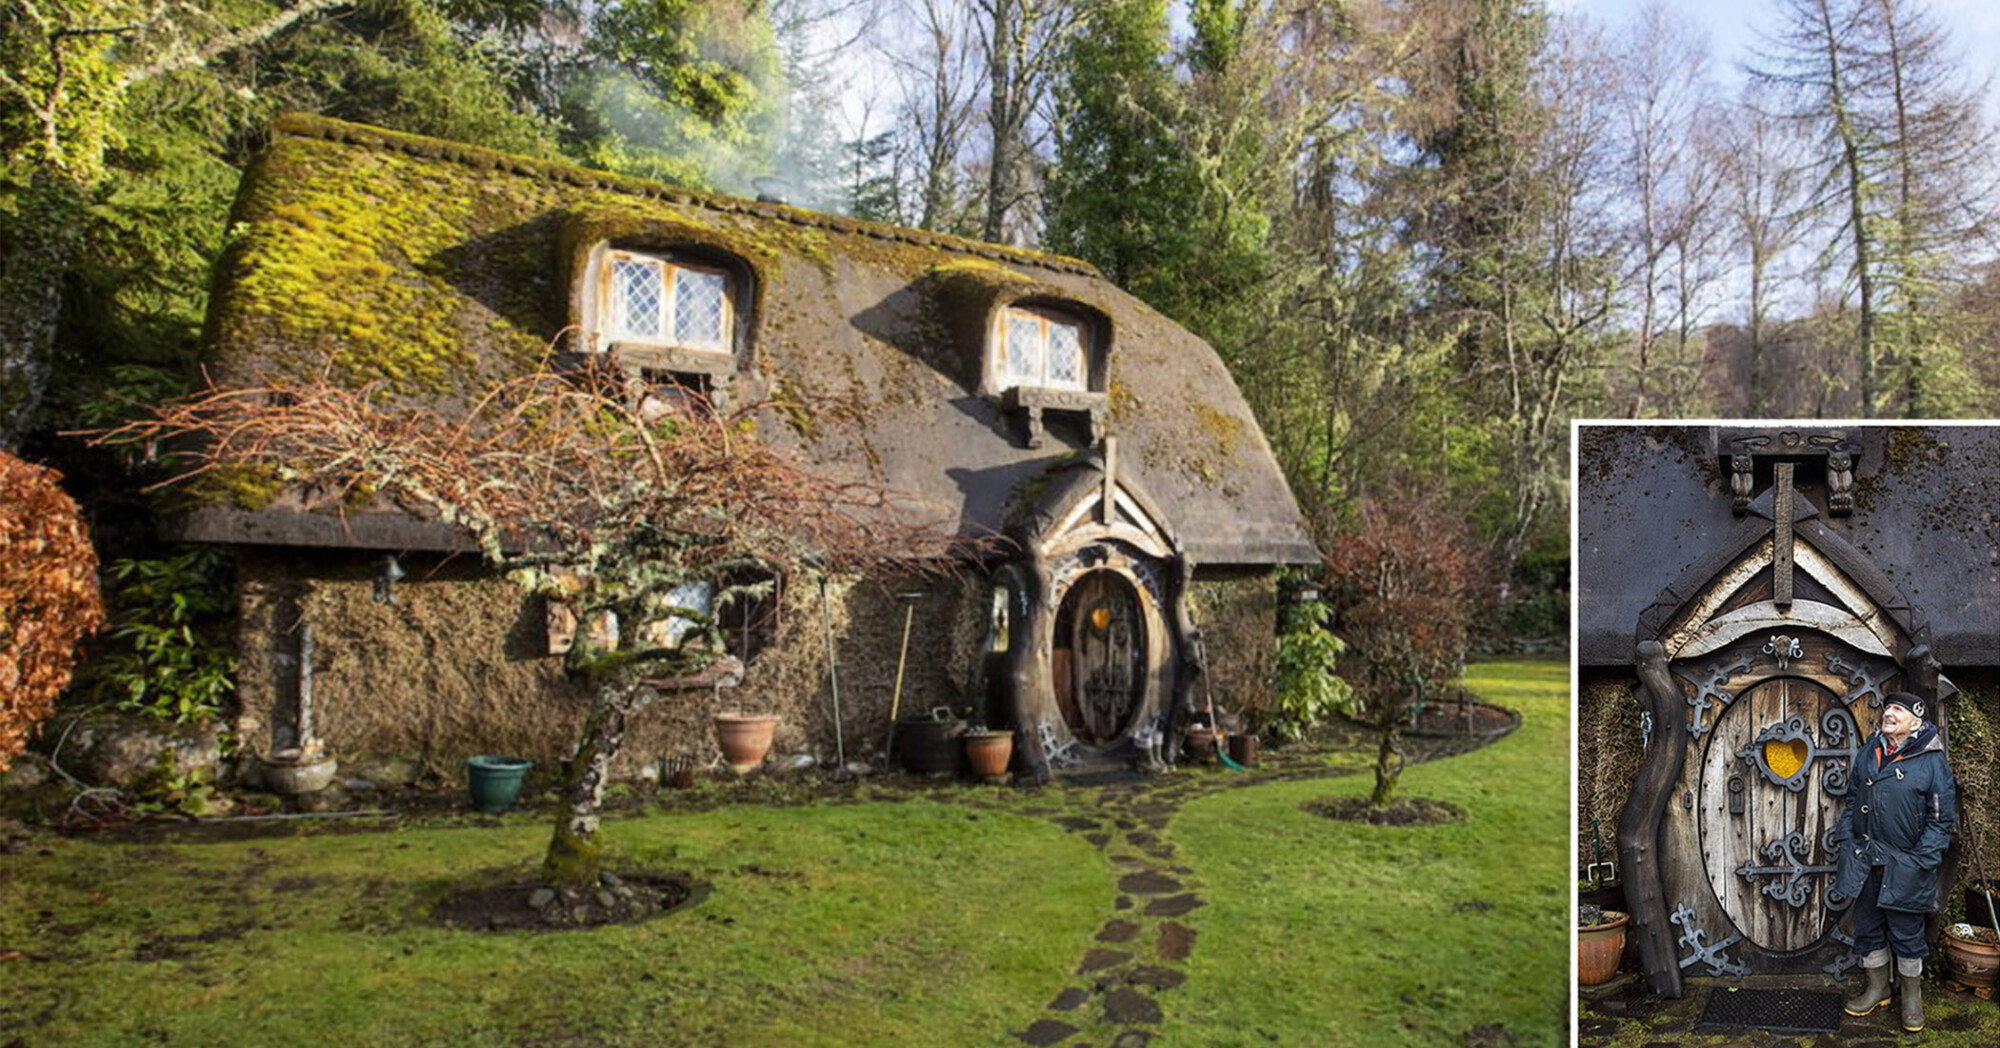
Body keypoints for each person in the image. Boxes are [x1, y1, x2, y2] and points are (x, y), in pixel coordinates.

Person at [1832, 692, 1956, 1032]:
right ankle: (1877, 989)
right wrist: (1846, 837)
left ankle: (1912, 998)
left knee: (1907, 934)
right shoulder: (1870, 751)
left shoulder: (1931, 760)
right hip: (1865, 859)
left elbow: (1941, 819)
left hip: (1906, 864)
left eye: (1898, 710)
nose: (1888, 713)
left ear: (1916, 722)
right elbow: (1854, 797)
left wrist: (1921, 860)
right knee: (1868, 928)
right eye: (1887, 708)